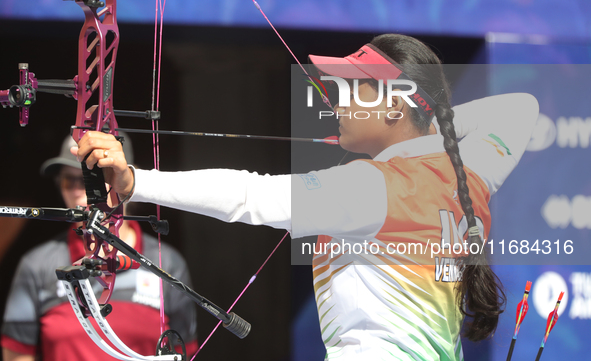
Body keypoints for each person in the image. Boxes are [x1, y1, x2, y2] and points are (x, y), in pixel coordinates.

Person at [74, 34, 539, 360]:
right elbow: (520, 109)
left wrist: (134, 181)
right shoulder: (470, 175)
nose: (336, 102)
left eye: (353, 89)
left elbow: (249, 195)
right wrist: (426, 125)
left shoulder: (374, 187)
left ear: (396, 104)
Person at [1, 134, 198, 361]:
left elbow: (184, 352)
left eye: (88, 180)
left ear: (125, 182)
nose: (77, 191)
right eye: (68, 180)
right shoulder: (37, 265)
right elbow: (17, 354)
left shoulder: (168, 262)